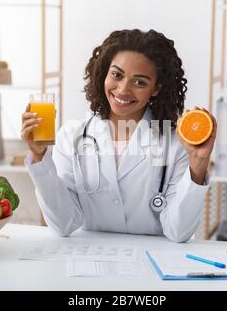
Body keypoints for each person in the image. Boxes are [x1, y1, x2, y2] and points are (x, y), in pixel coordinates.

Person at [21, 29, 217, 242]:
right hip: (90, 263)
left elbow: (178, 232)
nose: (123, 89)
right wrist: (40, 158)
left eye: (139, 82)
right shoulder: (72, 136)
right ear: (104, 74)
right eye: (117, 75)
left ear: (156, 88)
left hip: (151, 264)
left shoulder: (176, 143)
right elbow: (64, 223)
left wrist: (198, 167)